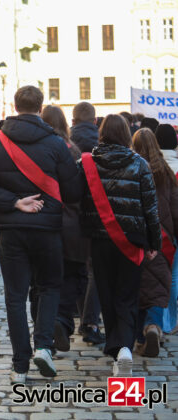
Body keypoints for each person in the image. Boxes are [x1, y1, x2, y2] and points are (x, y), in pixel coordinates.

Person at [0, 86, 84, 384]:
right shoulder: (56, 143)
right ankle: (44, 347)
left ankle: (19, 365)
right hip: (47, 230)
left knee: (15, 296)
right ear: (41, 107)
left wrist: (14, 202)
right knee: (49, 287)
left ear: (14, 106)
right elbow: (73, 192)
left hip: (11, 230)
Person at [79, 114, 161, 376]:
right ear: (126, 134)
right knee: (127, 297)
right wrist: (154, 241)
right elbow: (150, 207)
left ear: (101, 133)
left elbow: (77, 199)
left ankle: (118, 352)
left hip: (99, 240)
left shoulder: (86, 163)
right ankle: (124, 348)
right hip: (132, 241)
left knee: (106, 295)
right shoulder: (140, 164)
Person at [39, 105, 90, 352]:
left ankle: (49, 327)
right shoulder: (73, 150)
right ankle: (62, 320)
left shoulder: (38, 150)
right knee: (73, 277)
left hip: (43, 221)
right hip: (71, 223)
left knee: (45, 281)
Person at [132, 127, 178, 357]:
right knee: (159, 286)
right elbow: (175, 206)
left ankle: (141, 336)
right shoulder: (165, 173)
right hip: (162, 237)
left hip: (136, 234)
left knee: (139, 286)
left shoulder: (131, 169)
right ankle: (153, 326)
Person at [69, 102, 105, 344]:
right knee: (96, 270)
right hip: (99, 211)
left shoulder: (64, 145)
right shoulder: (102, 144)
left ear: (73, 122)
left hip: (71, 213)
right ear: (95, 121)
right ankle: (90, 322)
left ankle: (83, 315)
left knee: (79, 267)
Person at [156, 124, 178, 334]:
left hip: (157, 227)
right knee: (174, 276)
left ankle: (157, 320)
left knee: (155, 275)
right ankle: (171, 320)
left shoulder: (149, 164)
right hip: (175, 227)